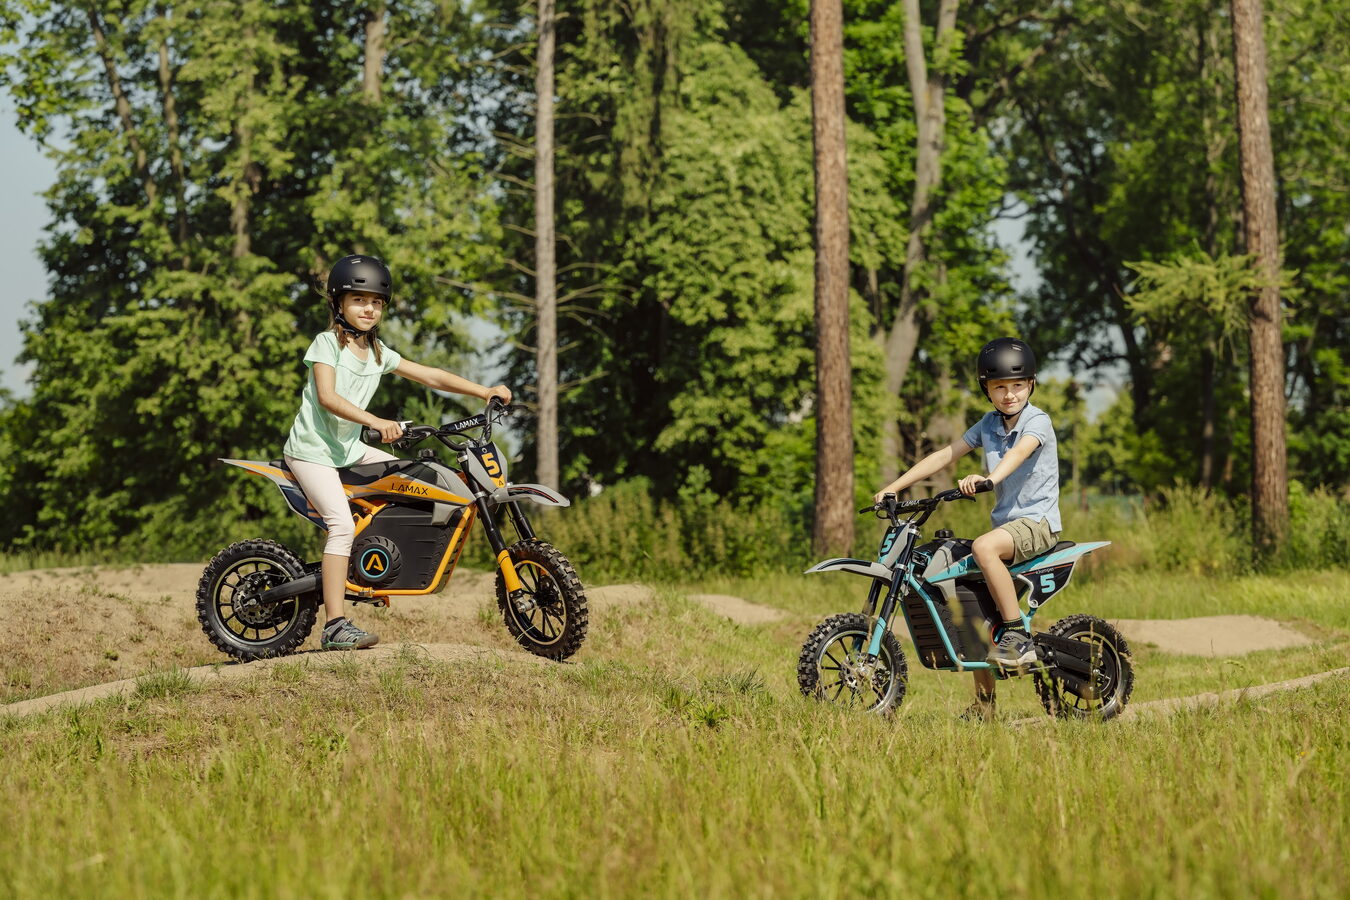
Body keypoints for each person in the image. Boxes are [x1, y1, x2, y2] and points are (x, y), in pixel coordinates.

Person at [283, 254, 512, 651]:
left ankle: (374, 564)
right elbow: (327, 397)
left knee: (413, 478)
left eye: (376, 302)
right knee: (340, 525)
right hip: (312, 453)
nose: (368, 309)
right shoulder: (326, 343)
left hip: (348, 450)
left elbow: (430, 375)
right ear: (338, 303)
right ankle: (334, 625)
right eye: (359, 300)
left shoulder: (377, 352)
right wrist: (376, 421)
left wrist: (483, 390)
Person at [873, 337, 1060, 721]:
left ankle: (1018, 635)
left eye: (1018, 385)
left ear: (1031, 384)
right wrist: (895, 486)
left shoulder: (1037, 421)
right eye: (1000, 387)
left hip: (1038, 523)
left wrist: (990, 478)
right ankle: (985, 705)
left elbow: (1019, 452)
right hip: (1007, 528)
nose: (1009, 394)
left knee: (983, 548)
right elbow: (945, 454)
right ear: (986, 390)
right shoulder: (988, 424)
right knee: (966, 594)